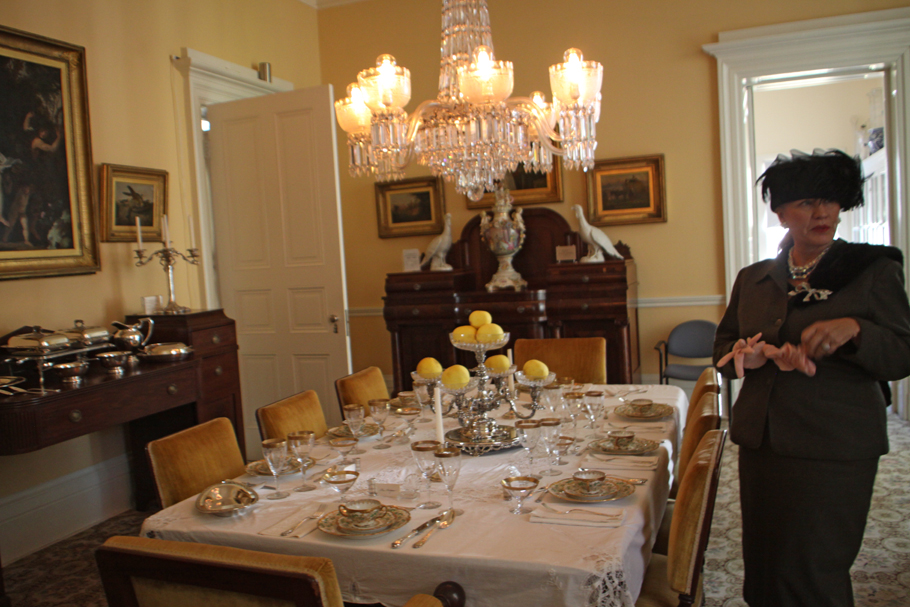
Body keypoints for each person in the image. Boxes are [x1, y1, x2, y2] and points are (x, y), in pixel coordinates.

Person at [713, 149, 910, 607]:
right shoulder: (754, 277)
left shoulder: (873, 271)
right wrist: (747, 356)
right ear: (781, 213)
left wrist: (857, 330)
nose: (821, 212)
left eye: (830, 201)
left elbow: (903, 352)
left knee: (814, 569)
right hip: (763, 443)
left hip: (835, 444)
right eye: (805, 202)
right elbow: (722, 347)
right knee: (766, 566)